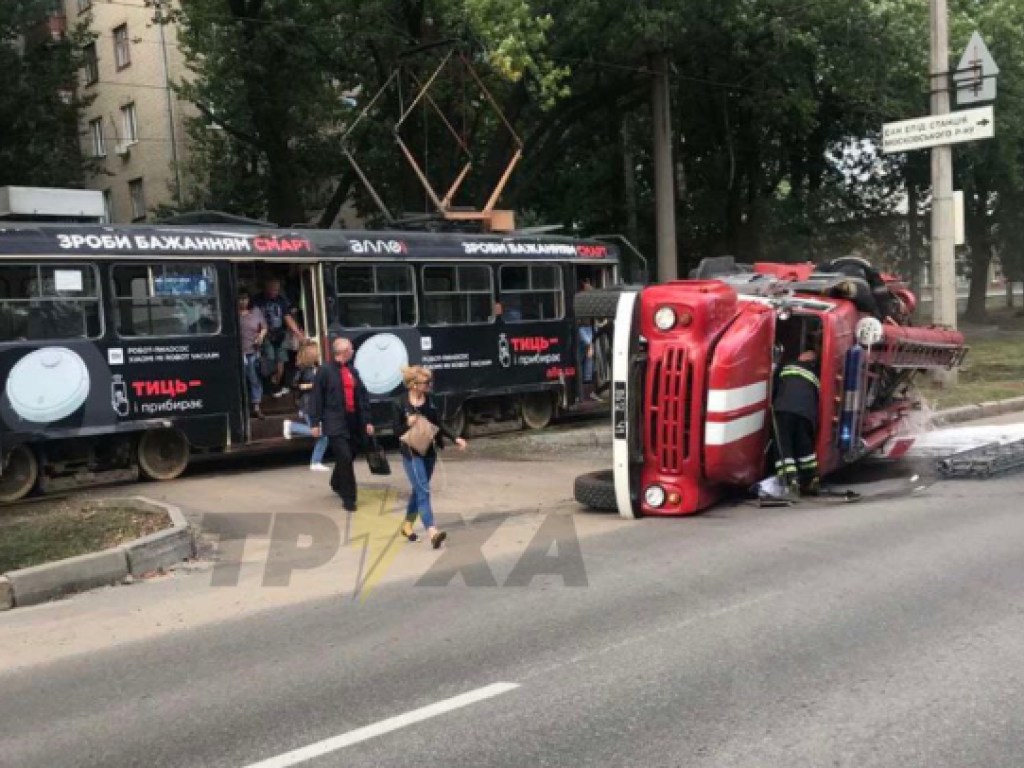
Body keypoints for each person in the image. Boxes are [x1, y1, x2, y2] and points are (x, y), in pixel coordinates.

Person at [392, 365, 467, 548]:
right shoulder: (399, 402)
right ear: (413, 385)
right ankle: (432, 530)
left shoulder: (430, 400)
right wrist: (407, 423)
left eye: (429, 382)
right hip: (411, 453)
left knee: (419, 490)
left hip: (429, 452)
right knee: (424, 490)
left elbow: (438, 423)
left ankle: (408, 526)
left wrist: (455, 437)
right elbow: (395, 431)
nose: (429, 385)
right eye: (426, 382)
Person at [309, 337, 374, 511]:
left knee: (350, 454)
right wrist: (315, 422)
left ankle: (336, 480)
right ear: (344, 352)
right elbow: (316, 398)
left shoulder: (353, 371)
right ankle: (349, 498)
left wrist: (367, 421)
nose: (353, 352)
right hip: (334, 421)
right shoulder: (324, 371)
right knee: (344, 457)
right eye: (351, 350)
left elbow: (362, 397)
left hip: (353, 420)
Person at [772, 348, 821, 496]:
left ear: (803, 357)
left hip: (784, 408)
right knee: (804, 445)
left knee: (783, 442)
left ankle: (790, 478)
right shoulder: (815, 376)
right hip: (806, 413)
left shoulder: (789, 365)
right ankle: (811, 477)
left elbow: (773, 384)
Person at [282, 339, 330, 472]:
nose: (318, 352)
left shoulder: (317, 367)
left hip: (316, 403)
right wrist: (310, 386)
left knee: (321, 435)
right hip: (308, 403)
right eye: (315, 350)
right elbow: (294, 385)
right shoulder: (303, 369)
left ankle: (316, 462)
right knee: (321, 434)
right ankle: (292, 426)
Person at [254, 277, 305, 397]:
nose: (275, 292)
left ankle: (276, 384)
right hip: (265, 335)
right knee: (270, 360)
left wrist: (298, 334)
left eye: (277, 290)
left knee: (282, 360)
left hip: (280, 334)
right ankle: (269, 388)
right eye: (272, 289)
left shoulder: (281, 300)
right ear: (266, 288)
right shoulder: (257, 300)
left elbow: (287, 318)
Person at [238, 288, 267, 419]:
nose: (243, 302)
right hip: (239, 351)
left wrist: (260, 336)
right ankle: (242, 407)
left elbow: (264, 327)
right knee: (241, 380)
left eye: (245, 299)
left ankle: (256, 406)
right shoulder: (234, 313)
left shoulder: (255, 311)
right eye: (240, 299)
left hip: (253, 350)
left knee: (254, 378)